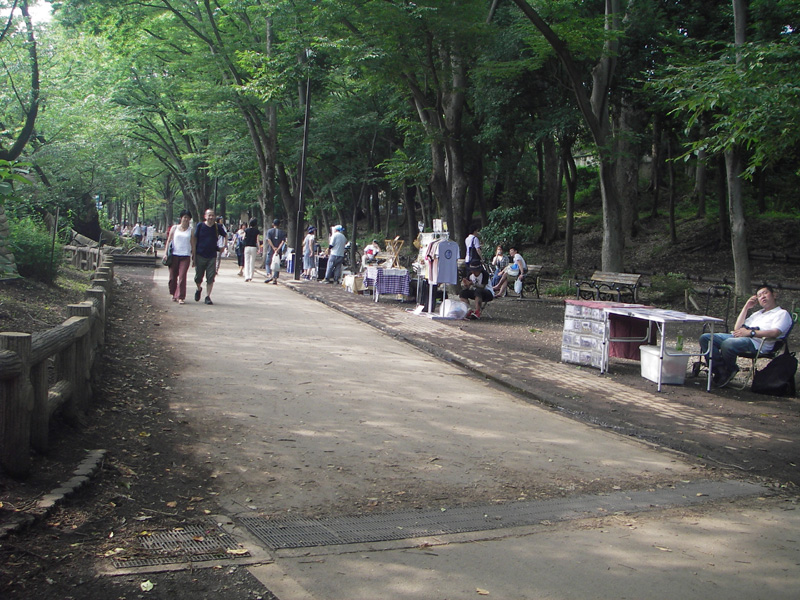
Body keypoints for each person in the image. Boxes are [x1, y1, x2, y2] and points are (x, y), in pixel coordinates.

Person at [699, 285, 793, 388]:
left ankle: (731, 369)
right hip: (740, 338)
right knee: (706, 338)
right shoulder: (758, 314)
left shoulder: (781, 314)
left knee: (729, 343)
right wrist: (746, 307)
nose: (762, 297)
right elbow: (737, 328)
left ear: (774, 295)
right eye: (759, 295)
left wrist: (750, 333)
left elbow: (775, 333)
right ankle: (720, 370)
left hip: (757, 343)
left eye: (765, 293)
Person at [193, 208, 222, 305]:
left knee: (210, 277)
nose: (211, 217)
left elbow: (225, 235)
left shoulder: (217, 227)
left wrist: (224, 246)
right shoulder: (200, 226)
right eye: (209, 215)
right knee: (198, 277)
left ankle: (208, 296)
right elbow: (195, 239)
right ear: (205, 216)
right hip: (200, 254)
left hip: (212, 256)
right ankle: (199, 288)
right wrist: (193, 254)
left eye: (213, 215)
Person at [165, 210, 194, 304]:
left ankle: (181, 296)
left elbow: (193, 244)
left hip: (185, 256)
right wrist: (165, 253)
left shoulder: (191, 230)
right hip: (174, 255)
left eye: (187, 217)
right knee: (172, 277)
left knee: (182, 277)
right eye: (184, 217)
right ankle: (173, 293)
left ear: (190, 219)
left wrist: (194, 256)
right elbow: (169, 241)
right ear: (181, 218)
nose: (185, 219)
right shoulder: (174, 228)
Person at [264, 218, 287, 284]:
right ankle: (275, 278)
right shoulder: (282, 232)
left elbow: (268, 239)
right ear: (279, 225)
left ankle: (269, 274)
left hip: (271, 249)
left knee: (268, 263)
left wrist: (273, 247)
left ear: (273, 224)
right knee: (277, 264)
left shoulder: (269, 231)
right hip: (278, 251)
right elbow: (283, 241)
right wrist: (278, 249)